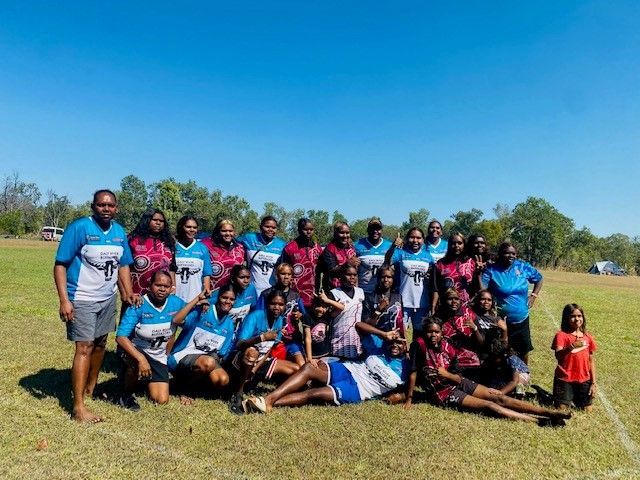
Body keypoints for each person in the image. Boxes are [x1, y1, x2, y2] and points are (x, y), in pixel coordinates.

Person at [54, 189, 138, 423]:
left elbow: (123, 265)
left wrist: (127, 293)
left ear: (117, 208)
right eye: (101, 205)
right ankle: (78, 407)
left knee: (101, 343)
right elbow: (60, 264)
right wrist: (64, 300)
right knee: (84, 347)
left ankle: (90, 388)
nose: (106, 209)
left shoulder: (119, 232)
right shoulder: (79, 228)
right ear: (93, 206)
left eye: (110, 205)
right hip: (81, 297)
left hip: (107, 298)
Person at [403, 318, 571, 426]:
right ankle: (538, 421)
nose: (433, 335)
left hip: (457, 381)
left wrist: (447, 375)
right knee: (490, 405)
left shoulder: (448, 346)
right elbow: (414, 372)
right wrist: (410, 398)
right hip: (443, 392)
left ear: (441, 333)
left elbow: (457, 375)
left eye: (436, 332)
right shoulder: (419, 345)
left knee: (499, 397)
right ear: (425, 333)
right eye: (429, 332)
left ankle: (550, 412)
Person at [245, 326, 409, 413]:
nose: (395, 345)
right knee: (309, 367)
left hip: (359, 389)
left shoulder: (407, 367)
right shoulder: (379, 347)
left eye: (400, 342)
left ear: (406, 346)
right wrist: (383, 335)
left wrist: (400, 397)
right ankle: (267, 400)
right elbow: (359, 326)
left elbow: (411, 390)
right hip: (347, 369)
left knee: (315, 394)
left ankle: (267, 402)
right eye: (393, 341)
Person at [115, 270, 192, 409]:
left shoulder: (176, 303)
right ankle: (125, 393)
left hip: (158, 356)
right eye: (158, 285)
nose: (162, 289)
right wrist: (141, 359)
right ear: (150, 285)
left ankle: (145, 380)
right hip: (138, 351)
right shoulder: (139, 304)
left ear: (171, 288)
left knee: (161, 400)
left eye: (166, 286)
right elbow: (120, 337)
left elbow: (197, 312)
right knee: (134, 361)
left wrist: (203, 303)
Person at [228, 289, 300, 413]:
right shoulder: (255, 316)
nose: (277, 307)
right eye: (273, 304)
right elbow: (240, 344)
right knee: (252, 353)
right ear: (267, 304)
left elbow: (269, 348)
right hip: (241, 358)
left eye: (281, 304)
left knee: (297, 369)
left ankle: (258, 385)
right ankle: (238, 392)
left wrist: (255, 370)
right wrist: (262, 337)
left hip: (261, 360)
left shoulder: (279, 319)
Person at [168, 284, 237, 403]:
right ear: (218, 297)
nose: (228, 301)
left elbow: (221, 353)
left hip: (205, 361)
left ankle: (182, 383)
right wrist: (197, 300)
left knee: (222, 380)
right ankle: (183, 388)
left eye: (231, 299)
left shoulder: (230, 324)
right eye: (224, 297)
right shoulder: (204, 311)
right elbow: (176, 320)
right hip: (181, 358)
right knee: (209, 363)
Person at [481, 241, 543, 364]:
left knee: (524, 349)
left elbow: (539, 278)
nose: (510, 256)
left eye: (513, 253)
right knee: (501, 349)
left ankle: (524, 374)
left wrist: (534, 295)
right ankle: (502, 376)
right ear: (500, 254)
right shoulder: (492, 270)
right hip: (501, 320)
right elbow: (482, 290)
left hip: (522, 318)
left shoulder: (522, 266)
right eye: (507, 253)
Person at [384, 227, 434, 334]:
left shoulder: (428, 256)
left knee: (420, 334)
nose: (415, 240)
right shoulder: (400, 253)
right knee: (400, 333)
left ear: (423, 240)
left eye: (418, 238)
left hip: (422, 303)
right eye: (412, 237)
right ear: (407, 238)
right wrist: (393, 246)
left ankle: (416, 351)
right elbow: (387, 261)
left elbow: (433, 275)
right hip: (403, 301)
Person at [257, 263, 306, 365]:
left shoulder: (295, 295)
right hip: (272, 338)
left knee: (301, 364)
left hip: (291, 339)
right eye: (283, 274)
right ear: (276, 275)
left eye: (289, 274)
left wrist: (300, 315)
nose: (286, 277)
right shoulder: (266, 294)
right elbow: (258, 317)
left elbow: (305, 315)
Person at [551, 304, 597, 412]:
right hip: (565, 378)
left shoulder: (587, 337)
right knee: (562, 409)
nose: (577, 319)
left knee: (587, 410)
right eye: (573, 316)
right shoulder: (561, 335)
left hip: (583, 379)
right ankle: (564, 398)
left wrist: (593, 383)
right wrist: (571, 347)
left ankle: (574, 397)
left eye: (579, 316)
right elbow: (558, 355)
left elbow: (591, 360)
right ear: (566, 318)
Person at [127, 208, 176, 298]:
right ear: (147, 220)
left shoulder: (168, 242)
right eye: (155, 220)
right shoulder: (133, 240)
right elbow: (124, 267)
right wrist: (128, 292)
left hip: (161, 295)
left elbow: (172, 267)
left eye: (161, 221)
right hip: (137, 293)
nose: (158, 223)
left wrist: (172, 287)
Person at [237, 216, 287, 296]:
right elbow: (232, 241)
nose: (270, 230)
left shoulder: (281, 245)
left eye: (273, 228)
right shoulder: (249, 238)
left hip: (272, 290)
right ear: (260, 227)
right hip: (252, 290)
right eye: (267, 226)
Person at [431, 233, 480, 313]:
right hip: (446, 307)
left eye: (460, 243)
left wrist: (479, 272)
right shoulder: (440, 264)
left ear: (464, 245)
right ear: (449, 245)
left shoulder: (471, 262)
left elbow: (477, 288)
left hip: (467, 307)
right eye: (453, 243)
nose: (456, 245)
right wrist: (433, 307)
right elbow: (435, 288)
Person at [361, 265, 403, 355]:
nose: (386, 280)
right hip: (374, 340)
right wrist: (379, 309)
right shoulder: (370, 298)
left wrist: (403, 343)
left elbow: (400, 323)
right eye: (383, 277)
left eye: (389, 277)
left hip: (392, 341)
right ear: (378, 278)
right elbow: (366, 325)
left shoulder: (398, 297)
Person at [281, 218, 323, 309]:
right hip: (295, 293)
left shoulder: (317, 248)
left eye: (311, 230)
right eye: (305, 229)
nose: (309, 232)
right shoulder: (290, 248)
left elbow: (321, 270)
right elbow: (283, 271)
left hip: (313, 293)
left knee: (310, 322)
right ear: (299, 230)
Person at [327, 264, 365, 359]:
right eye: (348, 274)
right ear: (341, 276)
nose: (352, 277)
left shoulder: (361, 292)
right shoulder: (334, 294)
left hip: (356, 341)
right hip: (338, 339)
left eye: (355, 275)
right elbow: (328, 316)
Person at [174, 215, 212, 302]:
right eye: (188, 227)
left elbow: (206, 273)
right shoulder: (173, 246)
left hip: (195, 298)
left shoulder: (202, 248)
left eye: (194, 227)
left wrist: (206, 290)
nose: (192, 230)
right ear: (181, 227)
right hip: (174, 297)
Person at [201, 219, 246, 290]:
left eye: (230, 231)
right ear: (218, 231)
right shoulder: (206, 245)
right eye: (224, 231)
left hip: (233, 293)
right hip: (212, 293)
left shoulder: (240, 248)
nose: (228, 234)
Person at [210, 264, 257, 328]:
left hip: (240, 331)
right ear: (233, 278)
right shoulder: (224, 292)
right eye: (242, 277)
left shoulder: (251, 289)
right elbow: (207, 303)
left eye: (248, 277)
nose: (246, 281)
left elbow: (253, 309)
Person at [302, 292, 344, 364]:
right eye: (318, 306)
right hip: (313, 355)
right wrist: (309, 358)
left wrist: (327, 300)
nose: (320, 309)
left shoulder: (327, 316)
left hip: (326, 354)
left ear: (328, 308)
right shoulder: (308, 317)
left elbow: (341, 308)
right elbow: (308, 338)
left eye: (324, 307)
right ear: (313, 305)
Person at [317, 221, 358, 292]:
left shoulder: (351, 248)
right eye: (342, 233)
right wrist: (347, 264)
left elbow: (356, 271)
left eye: (347, 233)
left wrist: (356, 289)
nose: (345, 235)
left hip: (350, 289)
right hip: (334, 290)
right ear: (335, 234)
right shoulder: (329, 249)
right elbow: (331, 271)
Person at [354, 217, 392, 294]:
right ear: (367, 230)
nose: (375, 231)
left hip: (382, 292)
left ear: (381, 230)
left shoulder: (390, 245)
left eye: (378, 229)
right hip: (363, 291)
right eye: (372, 228)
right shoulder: (357, 245)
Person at [470, 289, 508, 365]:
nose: (486, 302)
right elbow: (481, 343)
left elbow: (504, 344)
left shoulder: (496, 319)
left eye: (489, 300)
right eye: (483, 299)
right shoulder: (473, 316)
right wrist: (475, 329)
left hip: (495, 354)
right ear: (478, 301)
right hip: (479, 354)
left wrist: (504, 330)